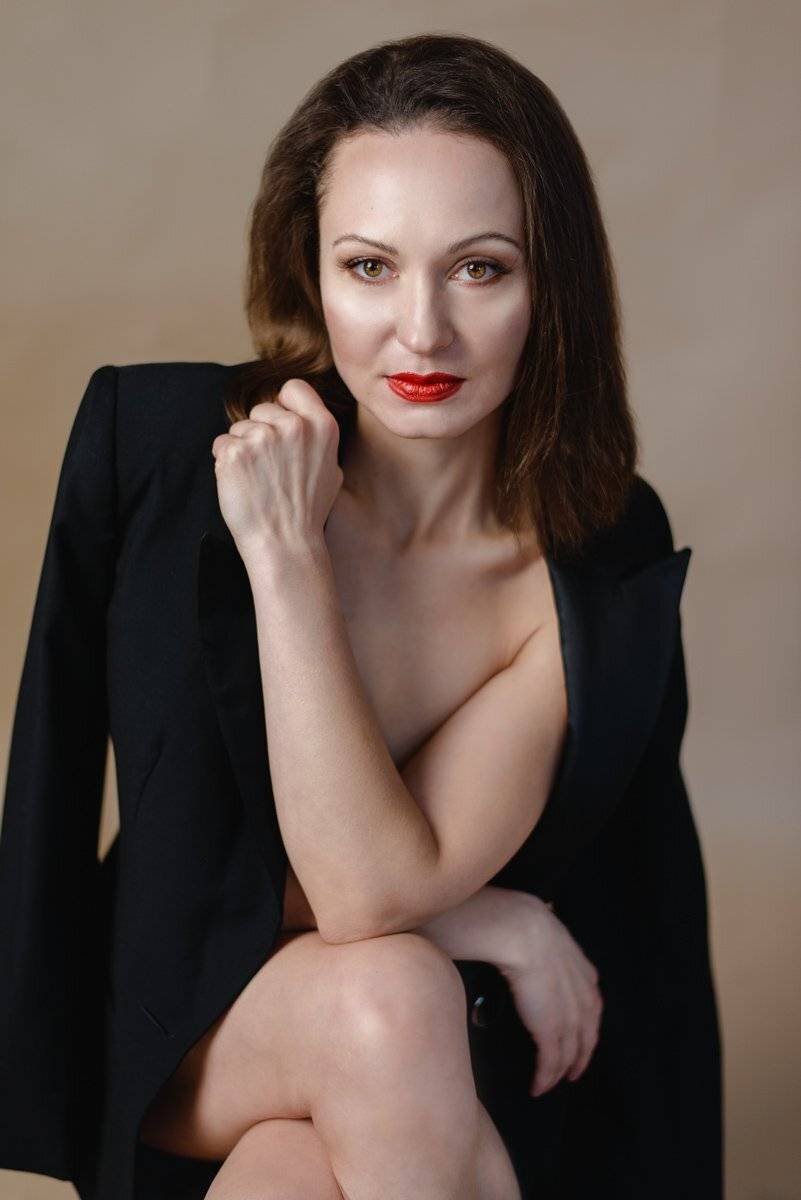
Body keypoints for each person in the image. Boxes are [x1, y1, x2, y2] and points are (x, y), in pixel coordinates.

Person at [0, 31, 722, 1200]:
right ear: (312, 271)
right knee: (390, 999)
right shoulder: (171, 453)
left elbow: (374, 889)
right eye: (370, 267)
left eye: (479, 268)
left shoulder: (593, 552)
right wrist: (487, 920)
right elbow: (166, 862)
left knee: (303, 1152)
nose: (421, 331)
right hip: (188, 1027)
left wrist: (288, 565)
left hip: (430, 1057)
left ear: (552, 285)